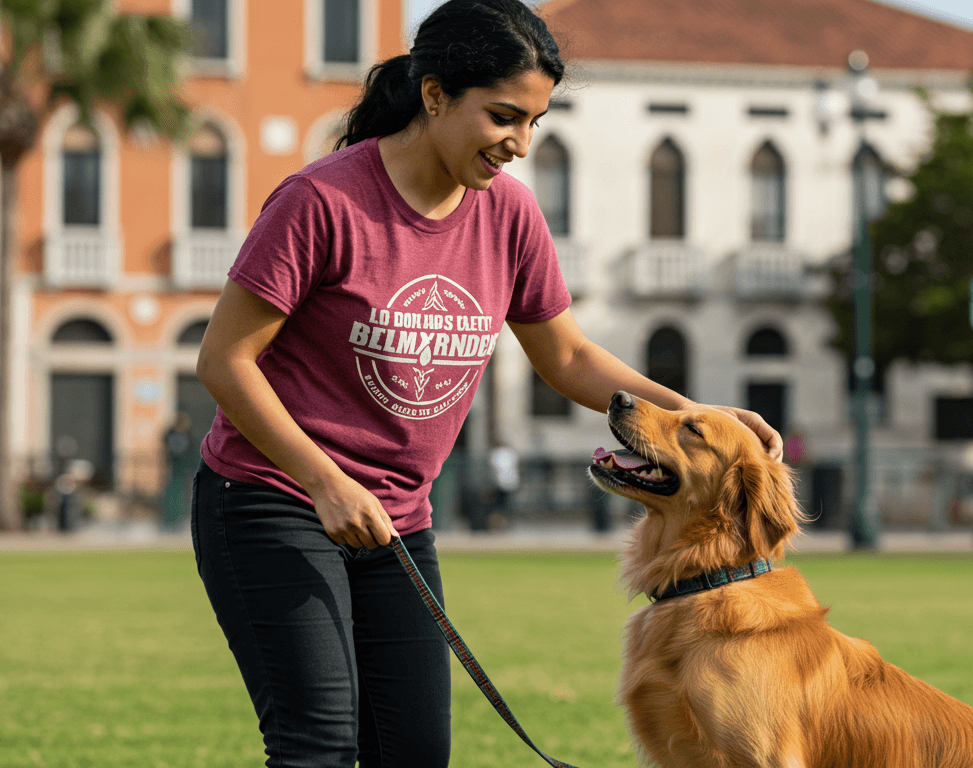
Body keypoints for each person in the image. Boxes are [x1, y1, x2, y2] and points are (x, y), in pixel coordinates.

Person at [191, 1, 782, 766]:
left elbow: (565, 357)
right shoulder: (323, 203)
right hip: (274, 499)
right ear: (435, 95)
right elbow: (224, 361)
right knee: (318, 747)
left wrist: (693, 413)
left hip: (398, 519)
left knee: (415, 752)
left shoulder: (508, 216)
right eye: (504, 117)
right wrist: (325, 481)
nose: (522, 144)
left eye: (534, 122)